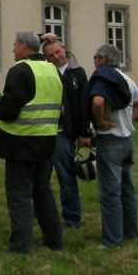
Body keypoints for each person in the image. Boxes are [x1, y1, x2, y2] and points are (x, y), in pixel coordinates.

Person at [0, 31, 63, 254]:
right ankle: (54, 238)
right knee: (43, 191)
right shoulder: (52, 70)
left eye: (14, 44)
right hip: (46, 140)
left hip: (20, 141)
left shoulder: (20, 70)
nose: (12, 49)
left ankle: (20, 244)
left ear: (23, 46)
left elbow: (10, 110)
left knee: (19, 194)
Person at [85, 44, 138, 249]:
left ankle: (112, 241)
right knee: (127, 190)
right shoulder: (126, 79)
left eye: (95, 57)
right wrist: (127, 122)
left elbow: (98, 102)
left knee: (110, 193)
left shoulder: (104, 77)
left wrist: (100, 121)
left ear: (102, 60)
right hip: (127, 140)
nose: (94, 61)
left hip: (110, 140)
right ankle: (131, 233)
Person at [40, 34, 91, 229]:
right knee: (40, 176)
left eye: (58, 52)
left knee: (66, 177)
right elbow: (28, 47)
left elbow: (83, 106)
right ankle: (40, 212)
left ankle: (72, 218)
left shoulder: (77, 73)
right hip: (45, 130)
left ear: (64, 50)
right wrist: (41, 37)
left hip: (64, 132)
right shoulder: (44, 72)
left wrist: (84, 133)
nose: (56, 57)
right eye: (51, 55)